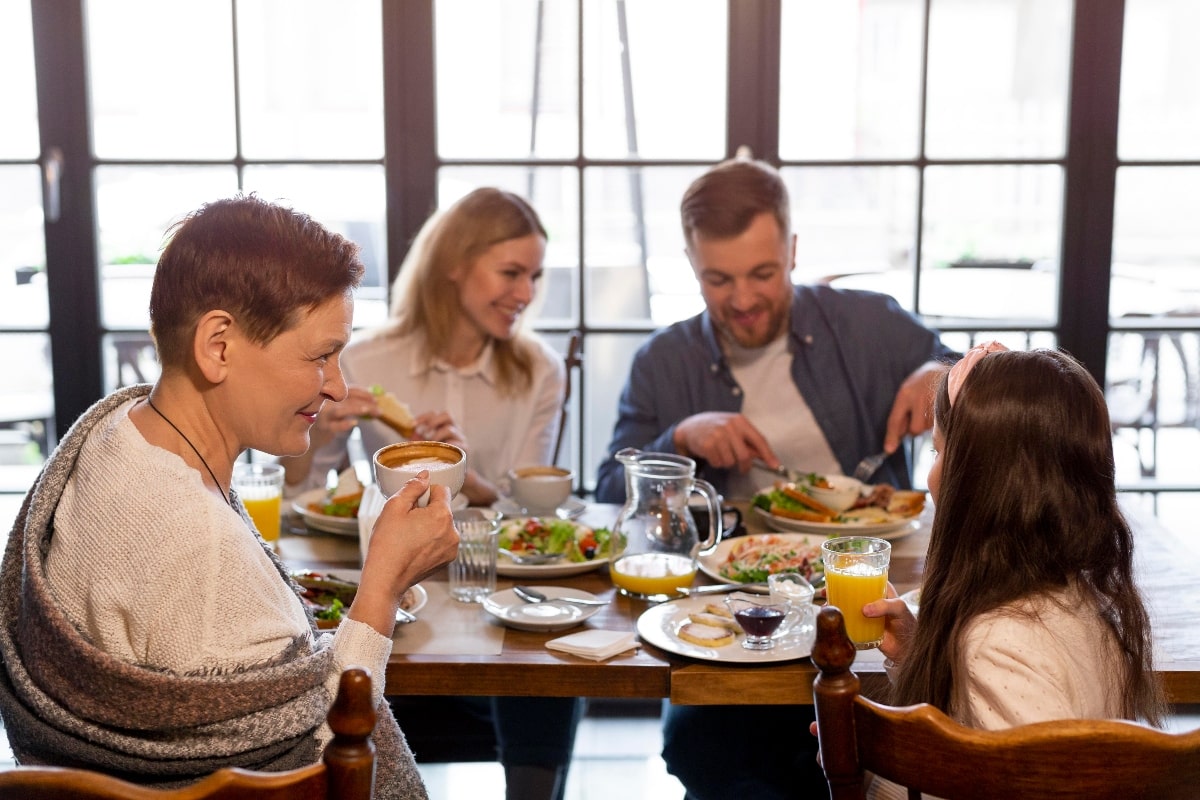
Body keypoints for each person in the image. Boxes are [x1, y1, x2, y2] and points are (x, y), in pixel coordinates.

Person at [0, 195, 459, 799]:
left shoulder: (113, 439)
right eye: (321, 354)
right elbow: (326, 755)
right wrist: (382, 586)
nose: (338, 384)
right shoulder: (198, 543)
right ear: (218, 345)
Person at [594, 156, 956, 800]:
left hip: (871, 605)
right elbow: (605, 494)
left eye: (762, 273)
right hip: (732, 614)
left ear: (792, 250)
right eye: (717, 279)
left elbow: (978, 373)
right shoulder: (663, 361)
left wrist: (942, 376)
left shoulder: (870, 322)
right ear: (690, 263)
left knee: (895, 744)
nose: (742, 299)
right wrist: (679, 440)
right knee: (709, 756)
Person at [282, 187, 582, 800]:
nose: (525, 293)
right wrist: (322, 434)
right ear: (455, 263)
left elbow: (531, 519)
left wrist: (464, 477)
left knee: (548, 667)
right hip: (396, 591)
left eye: (534, 276)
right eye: (510, 272)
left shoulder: (539, 370)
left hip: (496, 590)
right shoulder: (364, 356)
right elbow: (305, 501)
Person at [854, 343, 1167, 799]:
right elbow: (976, 741)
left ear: (983, 484)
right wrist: (917, 652)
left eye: (940, 453)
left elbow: (1030, 784)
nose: (929, 477)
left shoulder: (997, 641)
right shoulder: (1075, 597)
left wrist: (878, 752)